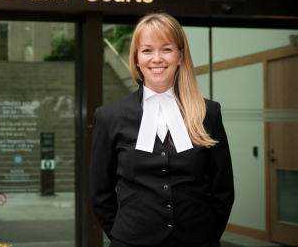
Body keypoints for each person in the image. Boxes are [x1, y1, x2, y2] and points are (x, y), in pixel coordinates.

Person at [89, 12, 234, 247]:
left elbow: (223, 189)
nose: (156, 58)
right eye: (147, 50)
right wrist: (123, 235)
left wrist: (206, 235)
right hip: (132, 240)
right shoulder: (109, 116)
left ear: (180, 56)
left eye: (166, 49)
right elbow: (100, 192)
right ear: (136, 59)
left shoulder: (209, 112)